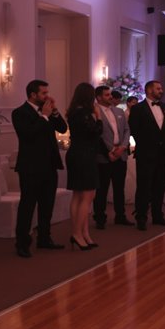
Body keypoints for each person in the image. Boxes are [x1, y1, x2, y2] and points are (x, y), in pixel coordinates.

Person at [12, 79, 67, 257]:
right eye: (43, 93)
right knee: (27, 205)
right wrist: (43, 116)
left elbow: (62, 127)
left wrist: (55, 112)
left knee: (47, 204)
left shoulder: (49, 110)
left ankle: (44, 238)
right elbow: (29, 134)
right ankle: (22, 243)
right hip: (30, 167)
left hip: (49, 165)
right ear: (33, 95)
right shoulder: (19, 113)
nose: (47, 96)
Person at [129, 81, 165, 230]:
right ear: (149, 90)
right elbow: (134, 130)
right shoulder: (138, 109)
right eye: (158, 88)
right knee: (144, 186)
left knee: (160, 185)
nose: (161, 91)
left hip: (164, 154)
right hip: (146, 153)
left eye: (161, 88)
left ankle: (157, 215)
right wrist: (147, 145)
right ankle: (141, 217)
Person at [64, 83, 102, 250]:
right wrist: (99, 117)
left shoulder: (74, 111)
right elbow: (95, 132)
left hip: (76, 153)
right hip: (84, 155)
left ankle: (84, 233)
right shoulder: (84, 113)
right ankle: (77, 234)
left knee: (78, 195)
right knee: (87, 195)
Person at [93, 85, 131, 228]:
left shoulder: (119, 111)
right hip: (104, 156)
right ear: (99, 97)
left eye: (110, 94)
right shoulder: (95, 112)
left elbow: (127, 130)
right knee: (101, 189)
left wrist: (122, 146)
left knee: (119, 188)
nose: (111, 97)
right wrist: (110, 150)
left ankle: (120, 216)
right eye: (107, 95)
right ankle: (100, 218)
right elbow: (98, 135)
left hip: (120, 155)